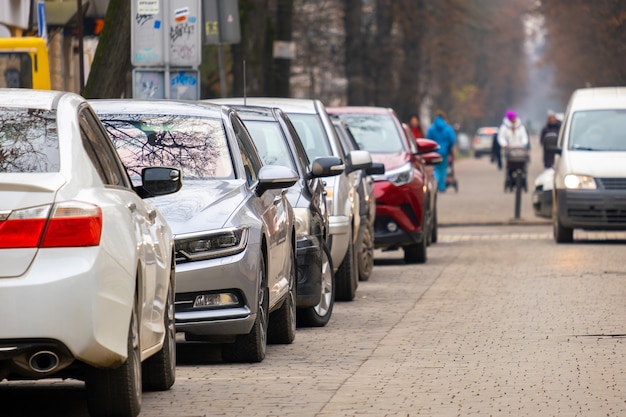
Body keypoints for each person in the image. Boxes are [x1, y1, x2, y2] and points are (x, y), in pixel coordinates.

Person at [498, 110, 529, 191]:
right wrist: (505, 144)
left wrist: (523, 144)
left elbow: (524, 138)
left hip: (520, 150)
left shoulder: (520, 127)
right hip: (509, 150)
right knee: (509, 166)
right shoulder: (504, 128)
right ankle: (510, 181)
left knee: (523, 166)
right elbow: (501, 137)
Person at [426, 110, 456, 192]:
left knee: (435, 169)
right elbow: (452, 139)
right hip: (444, 152)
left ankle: (435, 183)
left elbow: (428, 139)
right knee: (443, 169)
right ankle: (441, 187)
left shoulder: (431, 128)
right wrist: (448, 147)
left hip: (434, 152)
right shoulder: (447, 128)